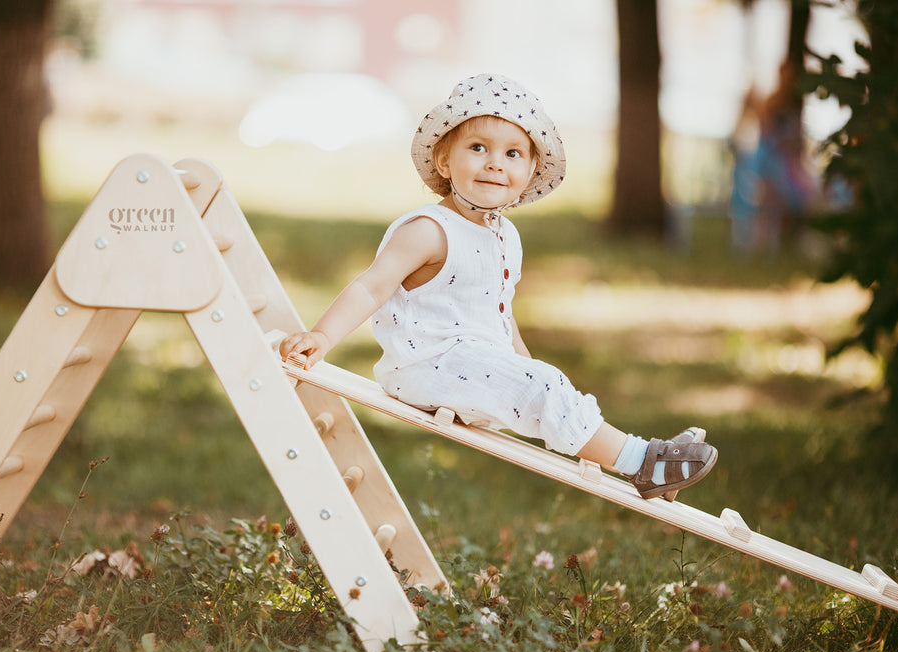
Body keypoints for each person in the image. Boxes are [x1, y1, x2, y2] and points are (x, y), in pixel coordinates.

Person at [279, 74, 717, 500]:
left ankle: (641, 456)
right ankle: (645, 462)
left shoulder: (505, 236)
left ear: (529, 172)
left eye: (512, 154)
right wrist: (322, 336)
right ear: (445, 161)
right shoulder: (429, 230)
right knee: (544, 386)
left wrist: (524, 367)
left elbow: (498, 313)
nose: (495, 163)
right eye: (478, 148)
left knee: (547, 383)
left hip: (474, 364)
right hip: (427, 367)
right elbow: (370, 289)